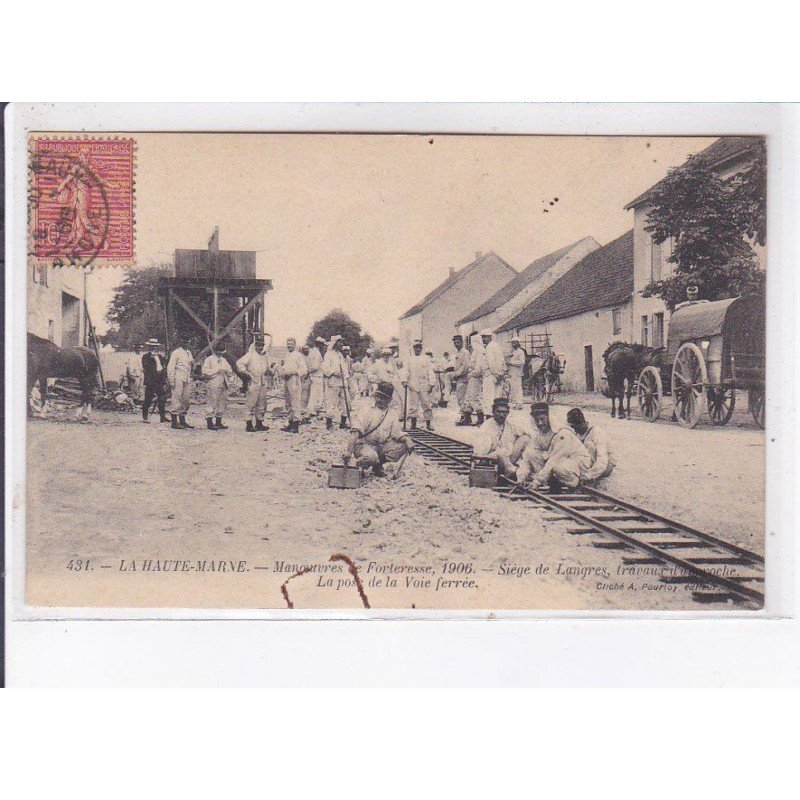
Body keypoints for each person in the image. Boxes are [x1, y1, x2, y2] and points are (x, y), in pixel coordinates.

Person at [342, 382, 415, 477]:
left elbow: (397, 434)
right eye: (378, 396)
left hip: (380, 446)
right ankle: (357, 466)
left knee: (402, 446)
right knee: (371, 457)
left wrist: (408, 440)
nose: (379, 400)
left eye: (383, 398)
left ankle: (377, 466)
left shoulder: (392, 414)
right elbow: (355, 432)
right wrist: (349, 452)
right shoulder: (367, 410)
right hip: (363, 445)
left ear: (390, 400)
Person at [517, 402, 588, 490]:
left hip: (577, 463)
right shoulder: (538, 435)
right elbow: (527, 456)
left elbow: (555, 459)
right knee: (532, 454)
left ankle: (574, 484)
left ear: (549, 418)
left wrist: (537, 481)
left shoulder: (562, 432)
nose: (540, 423)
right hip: (559, 462)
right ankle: (552, 481)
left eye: (542, 419)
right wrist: (521, 475)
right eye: (536, 420)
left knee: (558, 467)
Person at [473, 397, 531, 478]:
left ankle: (527, 468)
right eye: (499, 412)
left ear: (508, 413)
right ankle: (512, 472)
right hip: (490, 461)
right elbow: (479, 455)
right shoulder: (486, 427)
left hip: (507, 459)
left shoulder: (509, 424)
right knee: (501, 452)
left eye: (504, 412)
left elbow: (526, 433)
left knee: (525, 439)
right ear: (493, 412)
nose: (501, 415)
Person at [567, 407, 616, 483]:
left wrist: (589, 475)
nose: (573, 429)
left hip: (606, 465)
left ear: (581, 423)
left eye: (574, 427)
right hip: (589, 464)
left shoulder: (596, 432)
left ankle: (591, 478)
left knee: (589, 445)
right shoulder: (576, 432)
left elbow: (602, 459)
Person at [236, 333, 271, 432]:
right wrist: (246, 373)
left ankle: (259, 423)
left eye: (261, 346)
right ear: (255, 346)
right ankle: (249, 424)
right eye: (258, 345)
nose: (260, 347)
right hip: (253, 381)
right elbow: (239, 363)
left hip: (262, 382)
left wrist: (270, 371)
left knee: (262, 403)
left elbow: (267, 369)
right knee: (251, 403)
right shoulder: (250, 355)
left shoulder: (263, 357)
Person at [201, 345, 234, 430]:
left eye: (222, 352)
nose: (220, 354)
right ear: (215, 351)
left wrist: (227, 371)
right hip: (214, 382)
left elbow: (230, 370)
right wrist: (216, 371)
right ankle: (209, 422)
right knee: (212, 401)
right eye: (219, 351)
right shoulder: (209, 359)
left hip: (224, 382)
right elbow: (205, 371)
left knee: (222, 402)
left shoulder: (224, 360)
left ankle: (218, 421)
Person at [403, 339, 434, 430]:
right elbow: (406, 371)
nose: (417, 349)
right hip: (413, 385)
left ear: (421, 348)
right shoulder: (409, 359)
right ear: (413, 348)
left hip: (424, 385)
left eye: (419, 347)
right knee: (413, 405)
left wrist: (431, 384)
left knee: (427, 404)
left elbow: (430, 372)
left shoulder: (426, 359)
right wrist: (404, 380)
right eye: (416, 347)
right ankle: (413, 425)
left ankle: (428, 424)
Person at [280, 337, 308, 433]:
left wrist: (293, 373)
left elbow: (304, 369)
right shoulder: (287, 355)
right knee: (288, 402)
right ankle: (290, 423)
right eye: (288, 344)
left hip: (294, 379)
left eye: (291, 344)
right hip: (286, 379)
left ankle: (296, 425)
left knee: (295, 402)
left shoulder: (299, 355)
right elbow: (284, 367)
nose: (289, 346)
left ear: (295, 345)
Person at [167, 334, 194, 430]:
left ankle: (182, 421)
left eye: (188, 341)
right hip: (177, 376)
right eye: (184, 341)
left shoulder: (189, 352)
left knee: (186, 400)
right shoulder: (176, 353)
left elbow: (191, 364)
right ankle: (174, 422)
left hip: (186, 377)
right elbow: (170, 367)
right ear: (180, 342)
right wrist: (171, 380)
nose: (186, 343)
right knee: (176, 399)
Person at [322, 335, 349, 430]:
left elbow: (344, 368)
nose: (342, 344)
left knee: (346, 403)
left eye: (342, 342)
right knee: (331, 403)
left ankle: (343, 423)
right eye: (340, 342)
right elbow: (325, 369)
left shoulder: (340, 355)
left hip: (342, 382)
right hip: (333, 382)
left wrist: (346, 377)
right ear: (335, 343)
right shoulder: (328, 354)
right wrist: (334, 372)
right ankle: (329, 423)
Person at [141, 338, 169, 423]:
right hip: (150, 381)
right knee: (148, 399)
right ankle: (145, 417)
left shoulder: (160, 357)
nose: (153, 348)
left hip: (159, 381)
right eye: (152, 346)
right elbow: (145, 367)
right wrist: (152, 358)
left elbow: (163, 369)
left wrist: (164, 380)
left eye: (155, 347)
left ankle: (162, 417)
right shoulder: (146, 357)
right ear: (149, 347)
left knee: (162, 399)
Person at [481, 329, 507, 418]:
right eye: (482, 337)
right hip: (498, 375)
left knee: (488, 397)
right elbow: (502, 361)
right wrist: (501, 374)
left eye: (485, 337)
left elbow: (491, 362)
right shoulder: (497, 346)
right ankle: (496, 416)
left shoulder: (489, 347)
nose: (483, 339)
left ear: (490, 337)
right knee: (496, 397)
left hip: (490, 375)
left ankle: (489, 417)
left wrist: (496, 374)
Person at [302, 336, 326, 423]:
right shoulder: (316, 353)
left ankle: (312, 412)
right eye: (322, 345)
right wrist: (309, 372)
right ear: (319, 344)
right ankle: (308, 413)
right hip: (316, 376)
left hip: (314, 376)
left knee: (315, 395)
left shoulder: (312, 352)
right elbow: (315, 367)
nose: (324, 346)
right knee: (315, 396)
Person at [463, 331, 485, 426]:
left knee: (474, 398)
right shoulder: (476, 350)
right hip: (472, 376)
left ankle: (480, 417)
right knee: (469, 397)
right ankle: (467, 417)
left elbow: (479, 367)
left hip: (475, 377)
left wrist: (472, 374)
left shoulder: (479, 350)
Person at [449, 334, 471, 425]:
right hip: (460, 379)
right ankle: (464, 417)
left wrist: (457, 374)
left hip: (463, 378)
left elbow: (465, 366)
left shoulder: (465, 352)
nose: (456, 344)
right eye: (455, 343)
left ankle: (465, 418)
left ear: (462, 342)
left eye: (458, 342)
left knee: (463, 399)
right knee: (460, 398)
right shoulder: (458, 353)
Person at [507, 336, 526, 408]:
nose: (513, 345)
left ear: (518, 343)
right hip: (512, 372)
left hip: (517, 372)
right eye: (512, 343)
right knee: (513, 387)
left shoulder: (520, 352)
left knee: (518, 388)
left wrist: (512, 363)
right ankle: (515, 403)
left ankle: (519, 403)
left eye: (514, 343)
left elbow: (522, 362)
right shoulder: (514, 352)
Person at [299, 344, 311, 411]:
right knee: (304, 392)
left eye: (307, 349)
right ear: (303, 350)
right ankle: (302, 408)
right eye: (305, 349)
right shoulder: (301, 358)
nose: (307, 350)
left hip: (310, 377)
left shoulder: (309, 357)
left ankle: (307, 408)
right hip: (304, 377)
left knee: (310, 393)